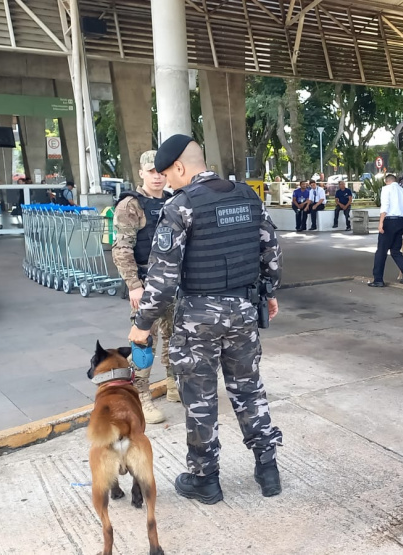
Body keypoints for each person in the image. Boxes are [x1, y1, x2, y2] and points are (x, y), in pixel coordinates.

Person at [128, 134, 283, 503]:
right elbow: (272, 250)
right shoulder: (247, 196)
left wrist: (142, 323)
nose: (167, 181)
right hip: (243, 310)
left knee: (200, 398)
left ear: (180, 167)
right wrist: (269, 292)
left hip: (198, 318)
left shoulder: (181, 206)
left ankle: (205, 480)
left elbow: (163, 278)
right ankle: (268, 469)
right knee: (249, 389)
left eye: (168, 174)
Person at [111, 150, 177, 424]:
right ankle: (141, 396)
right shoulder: (131, 205)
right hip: (146, 283)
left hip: (173, 282)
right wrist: (134, 286)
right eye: (151, 172)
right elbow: (121, 249)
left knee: (176, 336)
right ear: (141, 173)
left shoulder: (173, 201)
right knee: (143, 341)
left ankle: (174, 385)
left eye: (161, 171)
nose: (157, 176)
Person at [369, 173, 403, 287]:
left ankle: (378, 279)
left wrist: (381, 222)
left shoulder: (386, 189)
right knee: (395, 251)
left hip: (389, 221)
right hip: (400, 222)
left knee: (381, 251)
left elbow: (385, 206)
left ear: (386, 181)